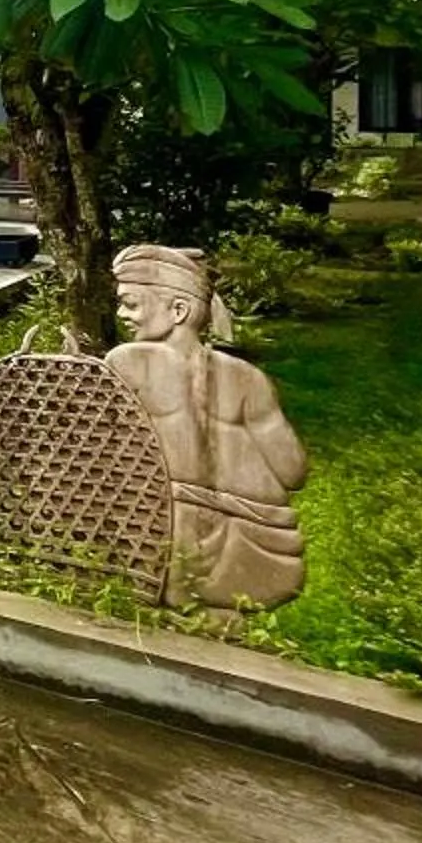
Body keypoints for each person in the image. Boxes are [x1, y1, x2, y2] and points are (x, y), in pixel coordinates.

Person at [104, 245, 309, 612]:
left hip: (157, 543)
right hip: (259, 553)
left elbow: (93, 452)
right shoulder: (249, 378)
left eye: (131, 304)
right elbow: (292, 471)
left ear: (178, 310)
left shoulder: (127, 363)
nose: (122, 314)